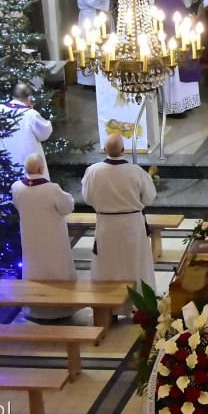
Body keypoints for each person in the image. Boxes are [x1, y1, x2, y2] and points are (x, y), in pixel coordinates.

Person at [81, 134, 157, 315]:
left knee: (109, 266)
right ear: (124, 150)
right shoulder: (136, 171)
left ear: (105, 150)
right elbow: (149, 197)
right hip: (132, 225)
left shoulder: (93, 171)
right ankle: (141, 309)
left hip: (107, 225)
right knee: (136, 264)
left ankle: (110, 310)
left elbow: (87, 197)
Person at [11, 154, 78, 322]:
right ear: (42, 169)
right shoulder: (51, 188)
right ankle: (60, 309)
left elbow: (17, 205)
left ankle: (35, 310)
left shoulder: (17, 187)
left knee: (34, 270)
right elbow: (68, 206)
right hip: (53, 239)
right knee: (57, 269)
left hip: (30, 240)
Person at [154, 0, 202, 117]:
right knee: (174, 73)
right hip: (172, 40)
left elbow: (181, 10)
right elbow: (169, 19)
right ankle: (174, 107)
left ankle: (186, 102)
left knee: (186, 67)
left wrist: (188, 15)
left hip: (182, 36)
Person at [0, 82, 53, 178]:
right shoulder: (30, 114)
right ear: (29, 98)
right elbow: (45, 133)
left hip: (6, 157)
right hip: (27, 161)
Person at [76, 0, 116, 85]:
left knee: (105, 46)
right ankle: (89, 81)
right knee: (91, 47)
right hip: (91, 17)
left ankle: (105, 76)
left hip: (103, 14)